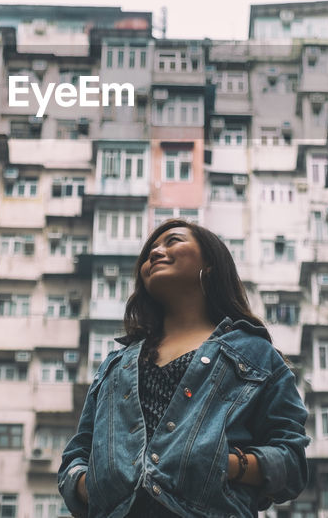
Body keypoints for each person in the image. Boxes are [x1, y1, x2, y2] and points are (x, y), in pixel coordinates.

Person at [58, 218, 310, 517]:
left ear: (211, 263)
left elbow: (291, 461)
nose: (155, 253)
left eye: (172, 241)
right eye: (150, 250)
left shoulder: (255, 353)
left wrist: (227, 464)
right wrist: (92, 484)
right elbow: (77, 455)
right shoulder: (115, 365)